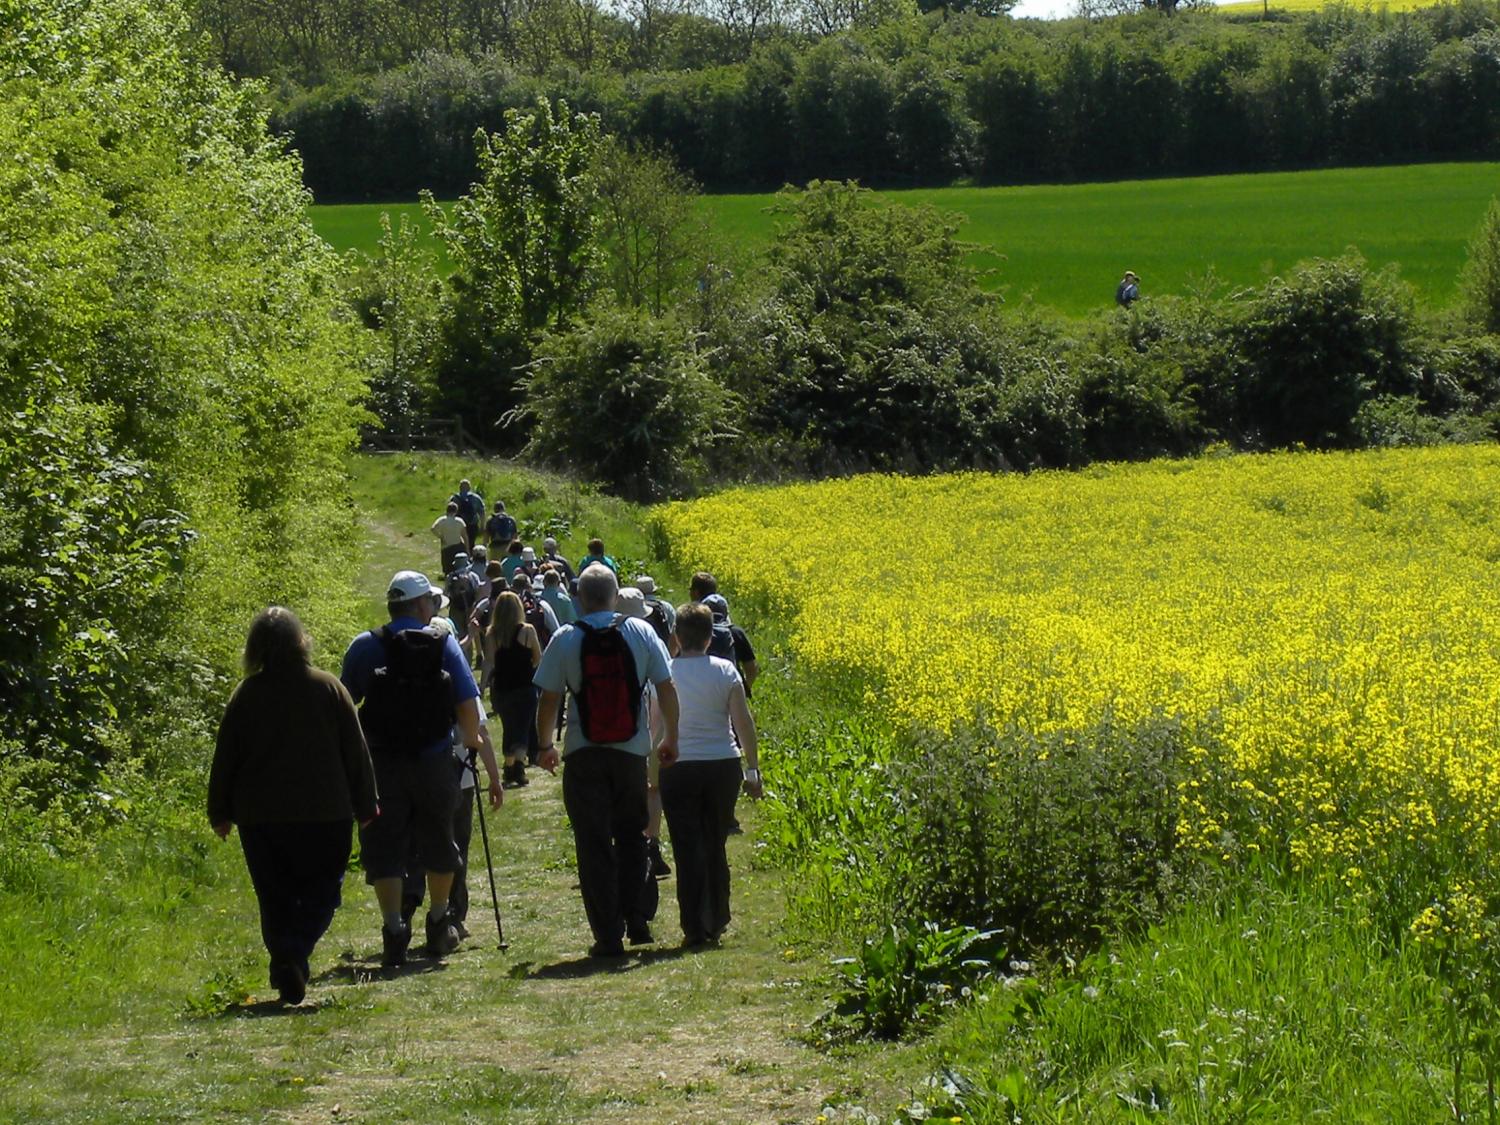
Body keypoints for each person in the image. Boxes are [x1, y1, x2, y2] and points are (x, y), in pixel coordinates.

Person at [209, 607, 378, 1005]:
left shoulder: (245, 695)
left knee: (274, 893)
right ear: (301, 641)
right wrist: (367, 803)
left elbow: (226, 756)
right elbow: (356, 753)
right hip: (326, 813)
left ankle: (288, 955)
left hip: (261, 816)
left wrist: (220, 810)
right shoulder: (328, 687)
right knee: (323, 891)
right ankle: (294, 952)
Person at [341, 571, 502, 967]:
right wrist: (472, 742)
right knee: (439, 839)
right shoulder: (443, 645)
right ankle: (437, 918)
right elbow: (467, 705)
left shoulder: (365, 646)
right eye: (429, 601)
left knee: (385, 846)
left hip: (382, 764)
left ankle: (394, 927)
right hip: (433, 760)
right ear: (419, 605)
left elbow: (344, 705)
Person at [535, 565, 679, 957]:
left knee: (593, 841)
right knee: (634, 835)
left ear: (580, 598)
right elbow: (666, 687)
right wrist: (670, 739)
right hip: (632, 753)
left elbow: (549, 699)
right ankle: (638, 919)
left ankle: (608, 934)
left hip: (584, 754)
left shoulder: (566, 638)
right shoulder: (641, 632)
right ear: (616, 596)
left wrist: (545, 744)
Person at [657, 601, 762, 947]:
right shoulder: (726, 671)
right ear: (710, 638)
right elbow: (742, 722)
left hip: (679, 765)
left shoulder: (665, 673)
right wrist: (752, 768)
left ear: (676, 636)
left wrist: (651, 774)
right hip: (722, 764)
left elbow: (655, 729)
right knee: (714, 842)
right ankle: (716, 916)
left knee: (686, 848)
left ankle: (693, 925)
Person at [403, 614, 504, 941]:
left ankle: (413, 906)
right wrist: (494, 777)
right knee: (456, 845)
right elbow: (482, 735)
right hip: (460, 776)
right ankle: (453, 916)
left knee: (422, 843)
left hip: (418, 774)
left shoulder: (409, 684)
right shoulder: (460, 686)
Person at [483, 591, 544, 789]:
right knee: (524, 726)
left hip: (502, 688)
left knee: (509, 727)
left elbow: (491, 660)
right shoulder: (527, 631)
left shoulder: (492, 634)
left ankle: (509, 766)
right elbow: (537, 657)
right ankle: (518, 766)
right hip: (525, 686)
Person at [700, 592, 759, 700]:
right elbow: (751, 668)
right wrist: (744, 690)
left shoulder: (696, 631)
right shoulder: (736, 633)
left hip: (700, 690)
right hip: (729, 690)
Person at [636, 576, 675, 651]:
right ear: (654, 591)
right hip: (664, 649)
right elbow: (674, 629)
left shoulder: (634, 609)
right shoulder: (666, 607)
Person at [432, 502, 469, 574]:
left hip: (446, 547)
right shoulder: (459, 521)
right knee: (459, 566)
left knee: (447, 567)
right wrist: (467, 549)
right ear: (456, 511)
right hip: (458, 546)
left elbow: (433, 529)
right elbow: (465, 536)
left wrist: (440, 536)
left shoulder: (442, 520)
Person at [450, 479, 486, 551]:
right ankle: (471, 558)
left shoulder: (455, 498)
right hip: (472, 525)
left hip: (459, 525)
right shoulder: (476, 498)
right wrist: (482, 526)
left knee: (459, 544)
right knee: (471, 543)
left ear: (460, 487)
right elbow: (482, 513)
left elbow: (450, 513)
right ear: (469, 487)